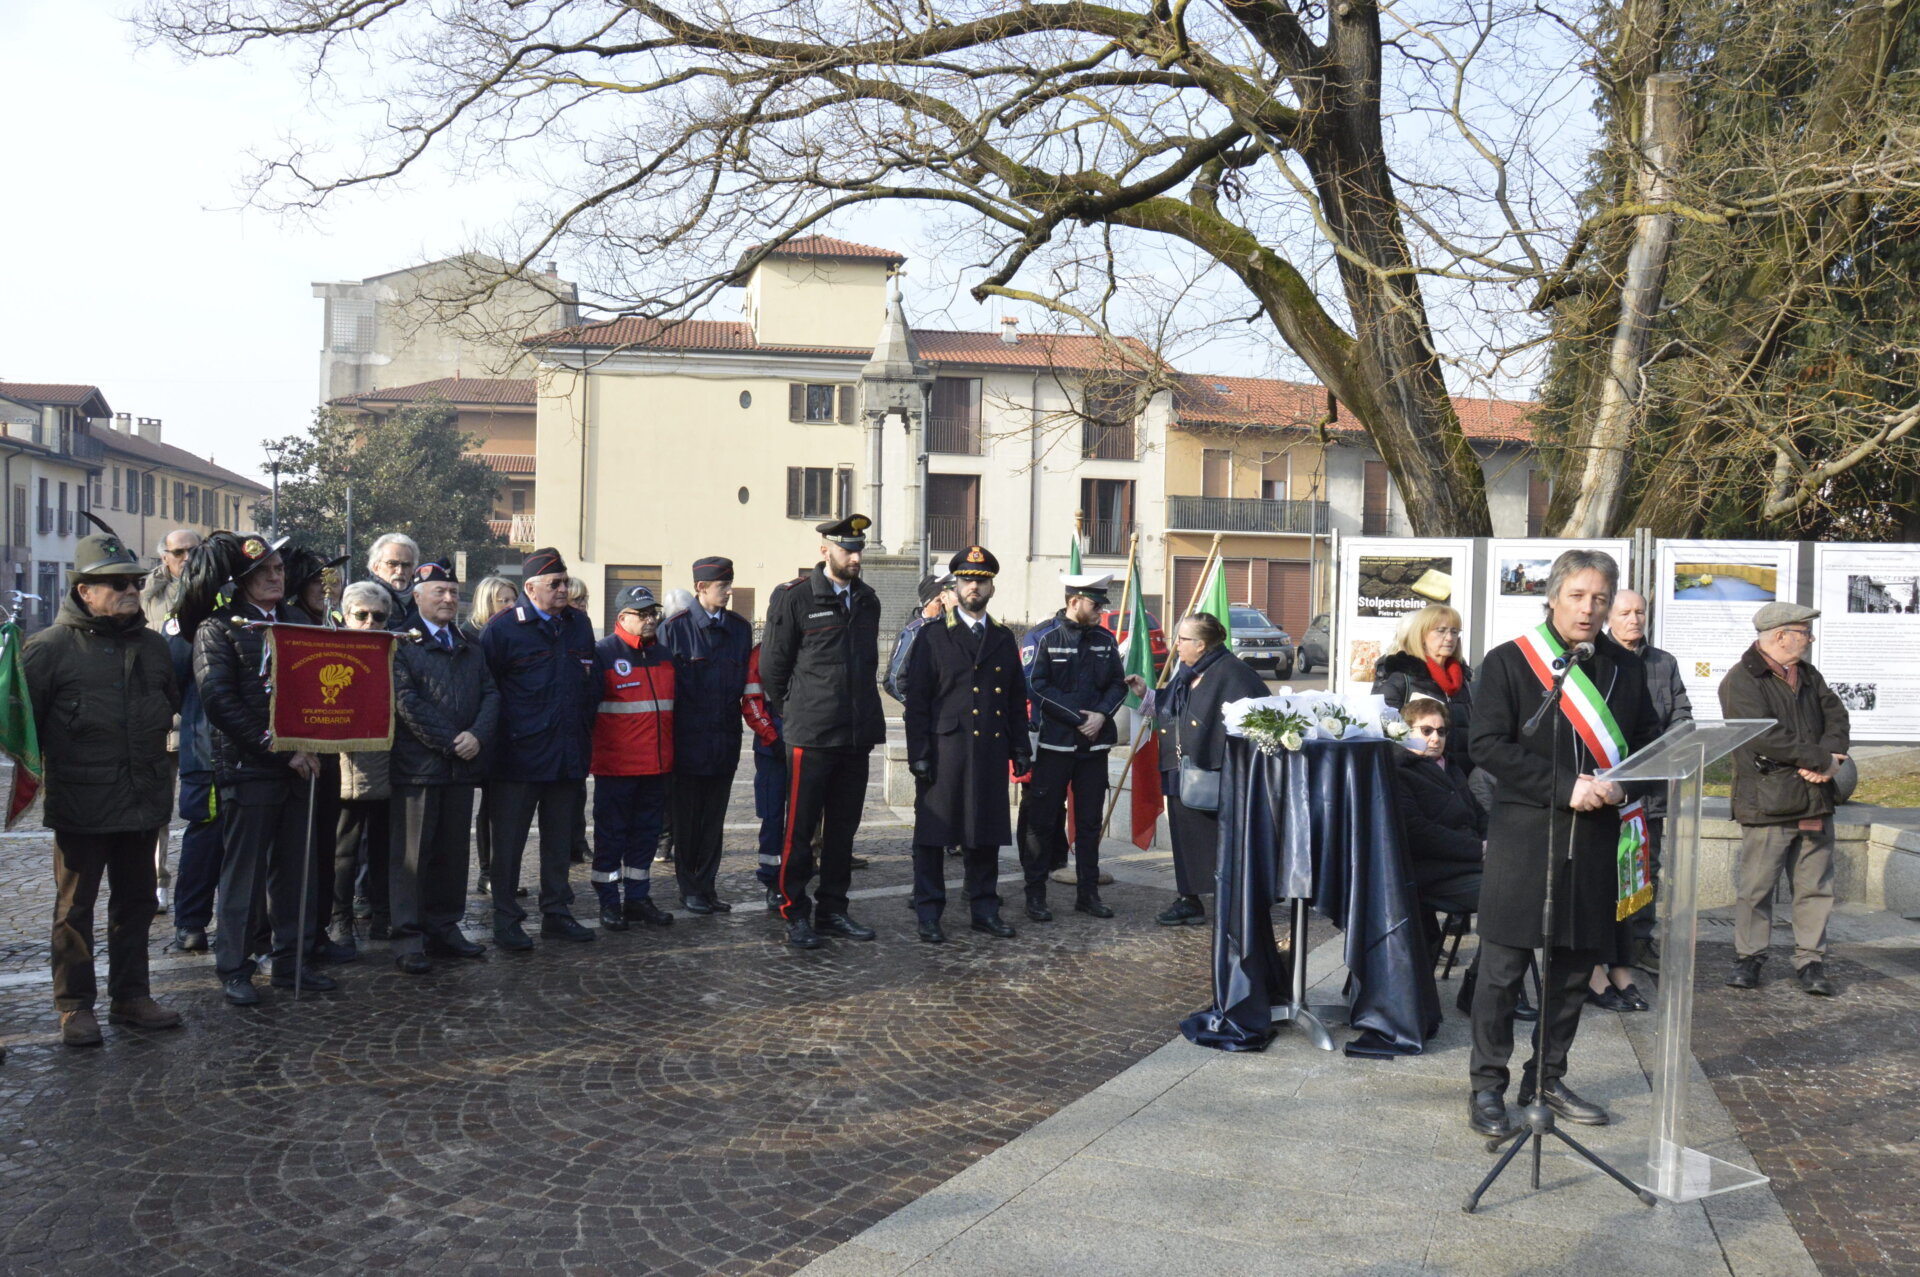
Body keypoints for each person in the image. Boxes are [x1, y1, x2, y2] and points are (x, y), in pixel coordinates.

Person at [1466, 549, 1656, 1139]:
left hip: (1596, 842)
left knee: (1574, 973)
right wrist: (1562, 786)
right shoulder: (1510, 663)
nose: (1589, 608)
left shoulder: (1625, 670)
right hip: (1526, 841)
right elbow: (1488, 745)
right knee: (1502, 972)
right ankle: (1487, 1087)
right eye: (1578, 596)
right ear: (1552, 597)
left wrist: (1627, 781)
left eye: (1600, 598)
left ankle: (1546, 1078)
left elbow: (1655, 743)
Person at [24, 526, 184, 1048]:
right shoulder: (47, 650)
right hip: (81, 805)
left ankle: (131, 996)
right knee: (74, 910)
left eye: (134, 581)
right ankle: (74, 1007)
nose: (129, 591)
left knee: (136, 905)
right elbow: (21, 729)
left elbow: (172, 704)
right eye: (114, 583)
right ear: (83, 592)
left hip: (143, 801)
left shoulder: (156, 648)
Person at [184, 531, 338, 1003]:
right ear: (242, 580)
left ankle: (292, 959)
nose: (277, 578)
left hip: (303, 766)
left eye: (279, 570)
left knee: (296, 871)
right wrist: (279, 749)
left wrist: (316, 741)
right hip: (250, 770)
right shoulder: (219, 627)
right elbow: (220, 703)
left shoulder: (298, 620)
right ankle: (235, 967)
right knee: (244, 876)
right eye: (264, 572)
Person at [760, 514, 886, 949]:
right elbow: (772, 670)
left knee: (842, 832)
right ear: (824, 550)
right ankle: (794, 910)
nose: (854, 557)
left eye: (859, 549)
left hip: (855, 735)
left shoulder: (868, 600)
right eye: (847, 549)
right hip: (811, 736)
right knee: (799, 830)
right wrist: (796, 713)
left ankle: (833, 908)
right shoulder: (794, 598)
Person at [1719, 601, 1850, 997]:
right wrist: (1818, 759)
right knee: (1757, 887)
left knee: (1814, 886)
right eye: (1803, 633)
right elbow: (1761, 736)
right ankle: (1750, 957)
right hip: (1767, 803)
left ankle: (1810, 960)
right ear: (1780, 636)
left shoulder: (1809, 676)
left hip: (1815, 798)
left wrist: (1830, 760)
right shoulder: (1741, 680)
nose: (1809, 640)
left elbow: (1838, 718)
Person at [902, 546, 1030, 943]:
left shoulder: (1003, 637)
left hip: (989, 750)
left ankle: (984, 908)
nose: (974, 586)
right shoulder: (933, 636)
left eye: (981, 580)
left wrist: (1020, 748)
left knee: (985, 833)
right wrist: (919, 753)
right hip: (945, 752)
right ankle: (929, 911)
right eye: (967, 579)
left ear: (991, 586)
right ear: (955, 585)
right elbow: (917, 700)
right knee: (932, 836)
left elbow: (1013, 697)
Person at [479, 547, 598, 950]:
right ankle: (506, 918)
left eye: (565, 582)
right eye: (555, 584)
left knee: (559, 840)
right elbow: (487, 691)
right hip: (517, 757)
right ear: (530, 587)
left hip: (566, 753)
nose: (564, 589)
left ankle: (557, 913)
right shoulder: (503, 629)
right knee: (508, 844)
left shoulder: (579, 625)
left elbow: (589, 684)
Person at [389, 560, 498, 974]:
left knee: (452, 855)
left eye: (453, 592)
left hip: (460, 768)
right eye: (440, 591)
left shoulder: (469, 643)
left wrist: (478, 736)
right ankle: (408, 938)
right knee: (412, 858)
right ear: (417, 596)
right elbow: (405, 701)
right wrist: (453, 741)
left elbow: (491, 694)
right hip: (418, 768)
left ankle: (444, 928)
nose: (449, 598)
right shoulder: (400, 641)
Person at [1587, 587, 1691, 1009]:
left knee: (1643, 874)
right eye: (1625, 612)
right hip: (1608, 791)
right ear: (1609, 616)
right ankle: (1598, 963)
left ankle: (1634, 948)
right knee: (1603, 878)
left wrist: (1659, 752)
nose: (1634, 620)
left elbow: (1681, 715)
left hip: (1650, 791)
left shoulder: (1663, 662)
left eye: (1640, 612)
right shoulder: (1596, 659)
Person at [1018, 572, 1126, 922]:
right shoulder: (1043, 636)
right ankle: (1035, 894)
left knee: (1090, 823)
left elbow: (1117, 684)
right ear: (1074, 600)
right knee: (1041, 821)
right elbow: (1036, 686)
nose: (1100, 611)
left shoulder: (1104, 639)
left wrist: (1100, 715)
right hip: (1054, 745)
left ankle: (1088, 893)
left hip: (1093, 749)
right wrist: (1078, 718)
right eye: (1095, 604)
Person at [1153, 613, 1267, 927]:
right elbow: (1172, 706)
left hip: (1215, 773)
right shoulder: (1188, 670)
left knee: (1218, 840)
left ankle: (1234, 903)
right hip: (1180, 767)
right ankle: (1189, 898)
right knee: (1184, 835)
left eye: (1183, 639)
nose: (1176, 645)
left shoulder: (1234, 672)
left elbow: (1257, 724)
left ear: (1201, 644)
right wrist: (1146, 696)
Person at [657, 557, 753, 913]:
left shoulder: (739, 629)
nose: (728, 591)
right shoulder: (675, 629)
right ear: (700, 588)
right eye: (721, 586)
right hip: (687, 742)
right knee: (687, 821)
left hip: (724, 741)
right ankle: (690, 886)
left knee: (714, 821)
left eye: (729, 584)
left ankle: (708, 885)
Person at [589, 585, 676, 931]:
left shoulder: (664, 656)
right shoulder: (603, 654)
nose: (650, 619)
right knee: (611, 837)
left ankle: (638, 898)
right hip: (617, 768)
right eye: (642, 614)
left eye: (652, 613)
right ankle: (609, 902)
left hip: (656, 767)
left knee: (645, 836)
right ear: (621, 617)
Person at [327, 581, 398, 958]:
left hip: (387, 763)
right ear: (345, 615)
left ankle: (384, 912)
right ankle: (340, 919)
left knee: (387, 845)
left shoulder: (396, 651)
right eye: (361, 615)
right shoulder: (329, 647)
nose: (370, 623)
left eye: (379, 617)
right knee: (343, 850)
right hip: (341, 765)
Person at [1391, 696, 1485, 960]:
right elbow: (1418, 832)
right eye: (1426, 730)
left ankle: (1483, 981)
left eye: (1441, 731)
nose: (1435, 738)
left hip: (1469, 861)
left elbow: (1479, 814)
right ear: (1406, 732)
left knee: (1525, 884)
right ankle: (1488, 987)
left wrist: (1493, 844)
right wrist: (1479, 849)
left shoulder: (1450, 767)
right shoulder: (1399, 770)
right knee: (1508, 893)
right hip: (1433, 872)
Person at [140, 528, 201, 916]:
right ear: (165, 556)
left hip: (199, 715)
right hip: (159, 717)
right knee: (156, 806)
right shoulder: (147, 597)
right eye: (178, 552)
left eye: (193, 551)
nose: (186, 558)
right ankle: (156, 880)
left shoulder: (217, 591)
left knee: (201, 808)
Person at [463, 575, 521, 898]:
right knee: (488, 806)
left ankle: (498, 873)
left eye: (514, 600)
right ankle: (487, 872)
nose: (511, 607)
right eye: (503, 601)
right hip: (483, 730)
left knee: (503, 806)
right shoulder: (472, 637)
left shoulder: (515, 634)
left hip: (508, 730)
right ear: (487, 602)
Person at [1372, 603, 1474, 772]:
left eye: (1454, 632)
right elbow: (1380, 731)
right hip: (1417, 777)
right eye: (1441, 630)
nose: (1449, 638)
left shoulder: (1461, 681)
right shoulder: (1402, 678)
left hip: (1459, 778)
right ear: (1421, 636)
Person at [743, 641, 788, 910]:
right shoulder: (761, 652)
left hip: (806, 745)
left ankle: (796, 874)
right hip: (773, 750)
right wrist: (773, 738)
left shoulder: (810, 643)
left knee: (804, 817)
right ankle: (772, 880)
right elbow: (752, 701)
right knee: (772, 817)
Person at [884, 574, 956, 703]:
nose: (943, 606)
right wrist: (916, 706)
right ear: (926, 603)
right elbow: (895, 680)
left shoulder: (952, 626)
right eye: (938, 601)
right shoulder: (913, 632)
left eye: (944, 600)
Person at [365, 532, 419, 631]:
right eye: (392, 564)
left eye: (406, 565)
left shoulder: (421, 601)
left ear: (413, 570)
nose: (400, 571)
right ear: (376, 567)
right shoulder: (364, 598)